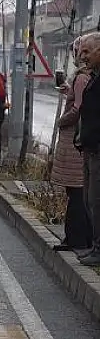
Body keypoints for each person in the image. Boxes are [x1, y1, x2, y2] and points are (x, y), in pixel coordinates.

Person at [51, 35, 92, 252]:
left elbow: (78, 108)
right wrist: (68, 91)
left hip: (73, 141)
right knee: (79, 193)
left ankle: (76, 238)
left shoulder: (81, 77)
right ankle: (80, 237)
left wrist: (61, 120)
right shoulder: (86, 77)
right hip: (78, 140)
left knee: (75, 193)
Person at [76, 32, 100, 266]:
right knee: (90, 200)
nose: (82, 57)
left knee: (96, 200)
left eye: (86, 51)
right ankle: (95, 245)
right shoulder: (93, 77)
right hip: (90, 149)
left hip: (97, 150)